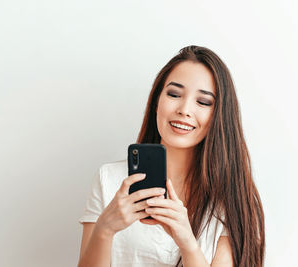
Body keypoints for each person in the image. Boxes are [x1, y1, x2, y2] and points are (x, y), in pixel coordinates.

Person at [77, 45, 265, 267]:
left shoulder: (231, 199)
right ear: (157, 101)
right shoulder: (109, 179)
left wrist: (187, 242)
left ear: (219, 116)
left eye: (203, 102)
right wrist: (104, 230)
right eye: (174, 94)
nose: (184, 109)